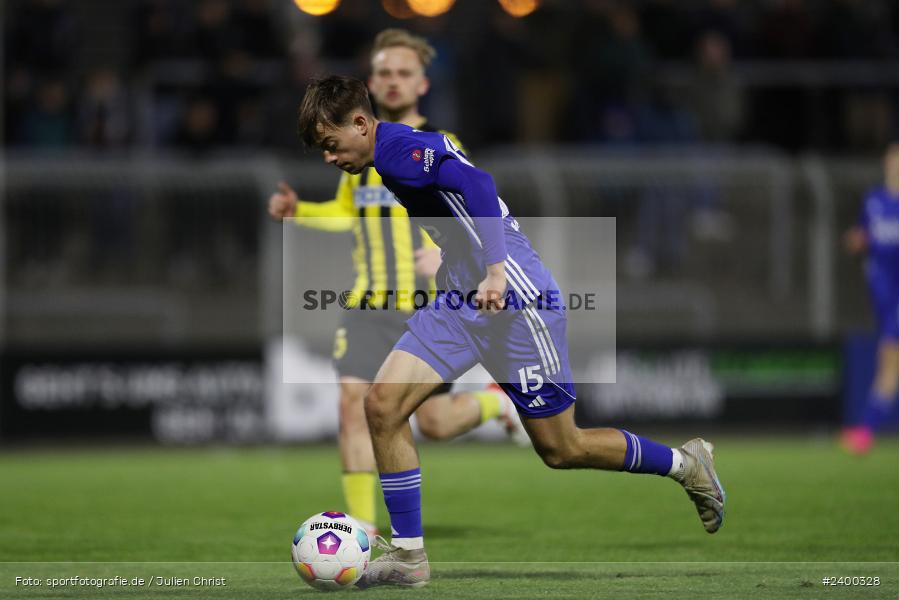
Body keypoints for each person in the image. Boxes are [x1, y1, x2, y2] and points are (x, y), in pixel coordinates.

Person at [296, 75, 727, 588]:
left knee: (562, 449)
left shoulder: (395, 150)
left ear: (361, 124)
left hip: (516, 301)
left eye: (330, 143)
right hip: (460, 296)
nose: (328, 156)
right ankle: (410, 558)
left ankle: (685, 463)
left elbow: (480, 184)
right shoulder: (389, 151)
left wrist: (497, 270)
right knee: (382, 406)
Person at [268, 30, 524, 538]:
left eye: (402, 72)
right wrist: (300, 213)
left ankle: (499, 403)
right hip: (369, 303)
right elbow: (347, 215)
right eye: (383, 71)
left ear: (421, 84)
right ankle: (360, 533)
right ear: (371, 83)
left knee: (432, 423)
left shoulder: (430, 145)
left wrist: (457, 252)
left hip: (424, 303)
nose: (391, 80)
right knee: (353, 405)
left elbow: (476, 203)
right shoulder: (353, 149)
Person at [842, 142, 899, 454]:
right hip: (881, 297)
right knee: (890, 365)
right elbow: (864, 235)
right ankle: (867, 429)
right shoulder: (874, 201)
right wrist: (856, 240)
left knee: (889, 361)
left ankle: (866, 430)